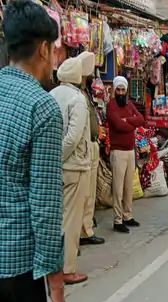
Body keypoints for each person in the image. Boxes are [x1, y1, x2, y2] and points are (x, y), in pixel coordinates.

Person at [0, 0, 71, 302]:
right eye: (55, 51)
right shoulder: (41, 107)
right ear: (43, 48)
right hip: (25, 267)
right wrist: (55, 291)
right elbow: (44, 207)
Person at [50, 53, 95, 285]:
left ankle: (52, 265)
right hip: (74, 166)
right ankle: (67, 269)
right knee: (71, 220)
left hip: (54, 167)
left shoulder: (51, 94)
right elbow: (73, 138)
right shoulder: (77, 99)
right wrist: (61, 157)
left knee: (56, 218)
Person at [106, 76, 145, 233]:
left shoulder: (129, 104)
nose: (121, 93)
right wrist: (131, 123)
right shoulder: (111, 106)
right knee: (118, 188)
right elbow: (118, 125)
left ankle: (127, 215)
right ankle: (117, 220)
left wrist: (127, 120)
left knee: (129, 186)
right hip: (118, 152)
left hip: (130, 151)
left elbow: (141, 119)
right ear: (115, 90)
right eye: (119, 90)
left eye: (123, 90)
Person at [80, 68, 106, 247]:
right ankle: (83, 231)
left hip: (92, 144)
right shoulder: (77, 96)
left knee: (89, 192)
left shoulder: (85, 93)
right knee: (84, 193)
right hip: (85, 147)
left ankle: (86, 228)